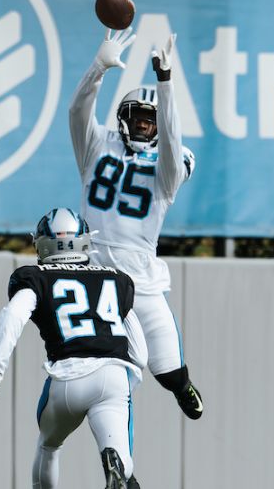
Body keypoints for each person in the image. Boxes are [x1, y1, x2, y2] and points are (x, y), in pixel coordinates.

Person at [0, 208, 149, 489]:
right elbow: (140, 348)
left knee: (48, 444)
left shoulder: (35, 277)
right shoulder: (113, 278)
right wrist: (130, 376)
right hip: (113, 374)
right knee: (117, 445)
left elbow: (13, 317)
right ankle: (116, 464)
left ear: (42, 244)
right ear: (84, 241)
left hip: (68, 376)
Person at [67, 27, 204, 421]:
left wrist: (166, 82)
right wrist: (98, 68)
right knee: (105, 368)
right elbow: (77, 112)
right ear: (124, 119)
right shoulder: (97, 145)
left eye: (151, 121)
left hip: (141, 278)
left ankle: (182, 386)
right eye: (138, 119)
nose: (144, 125)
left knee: (169, 369)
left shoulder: (168, 168)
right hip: (93, 272)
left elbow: (175, 151)